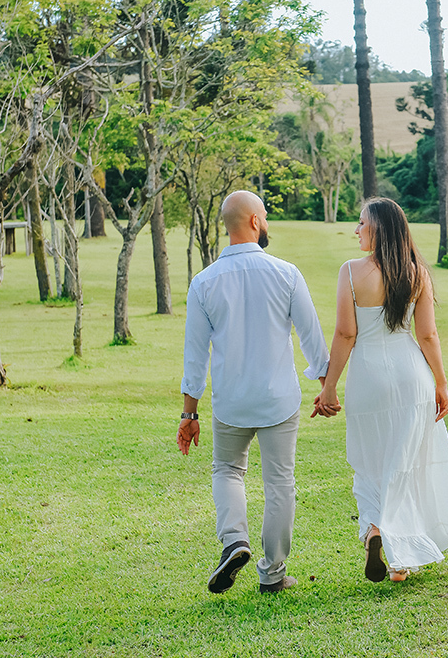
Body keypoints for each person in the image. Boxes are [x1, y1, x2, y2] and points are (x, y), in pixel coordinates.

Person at [312, 197, 448, 582]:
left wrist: (329, 387)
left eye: (362, 223)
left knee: (371, 460)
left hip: (368, 379)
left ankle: (376, 528)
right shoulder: (417, 273)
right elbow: (428, 335)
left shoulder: (350, 272)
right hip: (411, 378)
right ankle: (400, 559)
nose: (356, 230)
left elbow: (345, 334)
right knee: (405, 464)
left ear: (380, 228)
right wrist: (441, 382)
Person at [178, 190, 330, 595]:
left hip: (231, 402)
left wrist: (189, 414)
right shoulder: (286, 273)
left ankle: (234, 540)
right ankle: (272, 573)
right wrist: (326, 387)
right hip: (278, 398)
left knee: (227, 471)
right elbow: (312, 337)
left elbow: (195, 355)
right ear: (254, 221)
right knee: (280, 482)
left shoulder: (203, 282)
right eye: (264, 216)